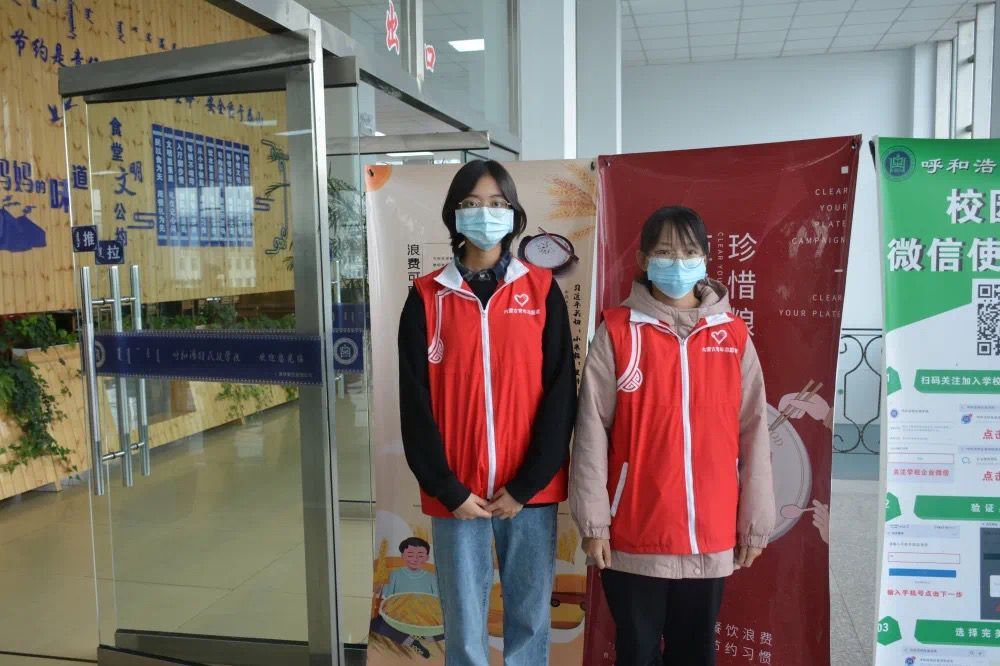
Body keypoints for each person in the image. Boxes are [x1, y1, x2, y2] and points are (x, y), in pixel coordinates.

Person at [569, 206, 775, 666]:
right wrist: (594, 523)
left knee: (695, 652)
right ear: (644, 260)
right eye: (664, 252)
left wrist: (755, 522)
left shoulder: (732, 335)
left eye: (688, 252)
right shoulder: (617, 331)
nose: (677, 263)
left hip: (710, 533)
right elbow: (591, 433)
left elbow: (754, 432)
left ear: (705, 260)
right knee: (637, 652)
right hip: (634, 534)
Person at [398, 159, 576, 666]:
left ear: (513, 214)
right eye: (472, 204)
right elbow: (414, 403)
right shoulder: (427, 296)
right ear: (454, 215)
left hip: (529, 493)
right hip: (458, 494)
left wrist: (527, 485)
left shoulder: (541, 289)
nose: (485, 213)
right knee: (464, 624)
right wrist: (447, 488)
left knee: (529, 620)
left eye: (497, 204)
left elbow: (562, 391)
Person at [371, 537, 443, 658]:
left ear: (427, 557)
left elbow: (436, 603)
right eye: (410, 555)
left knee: (450, 629)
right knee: (376, 624)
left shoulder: (432, 578)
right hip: (400, 617)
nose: (415, 559)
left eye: (420, 555)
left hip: (424, 617)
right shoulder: (394, 574)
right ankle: (412, 642)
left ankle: (425, 636)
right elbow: (387, 599)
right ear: (402, 556)